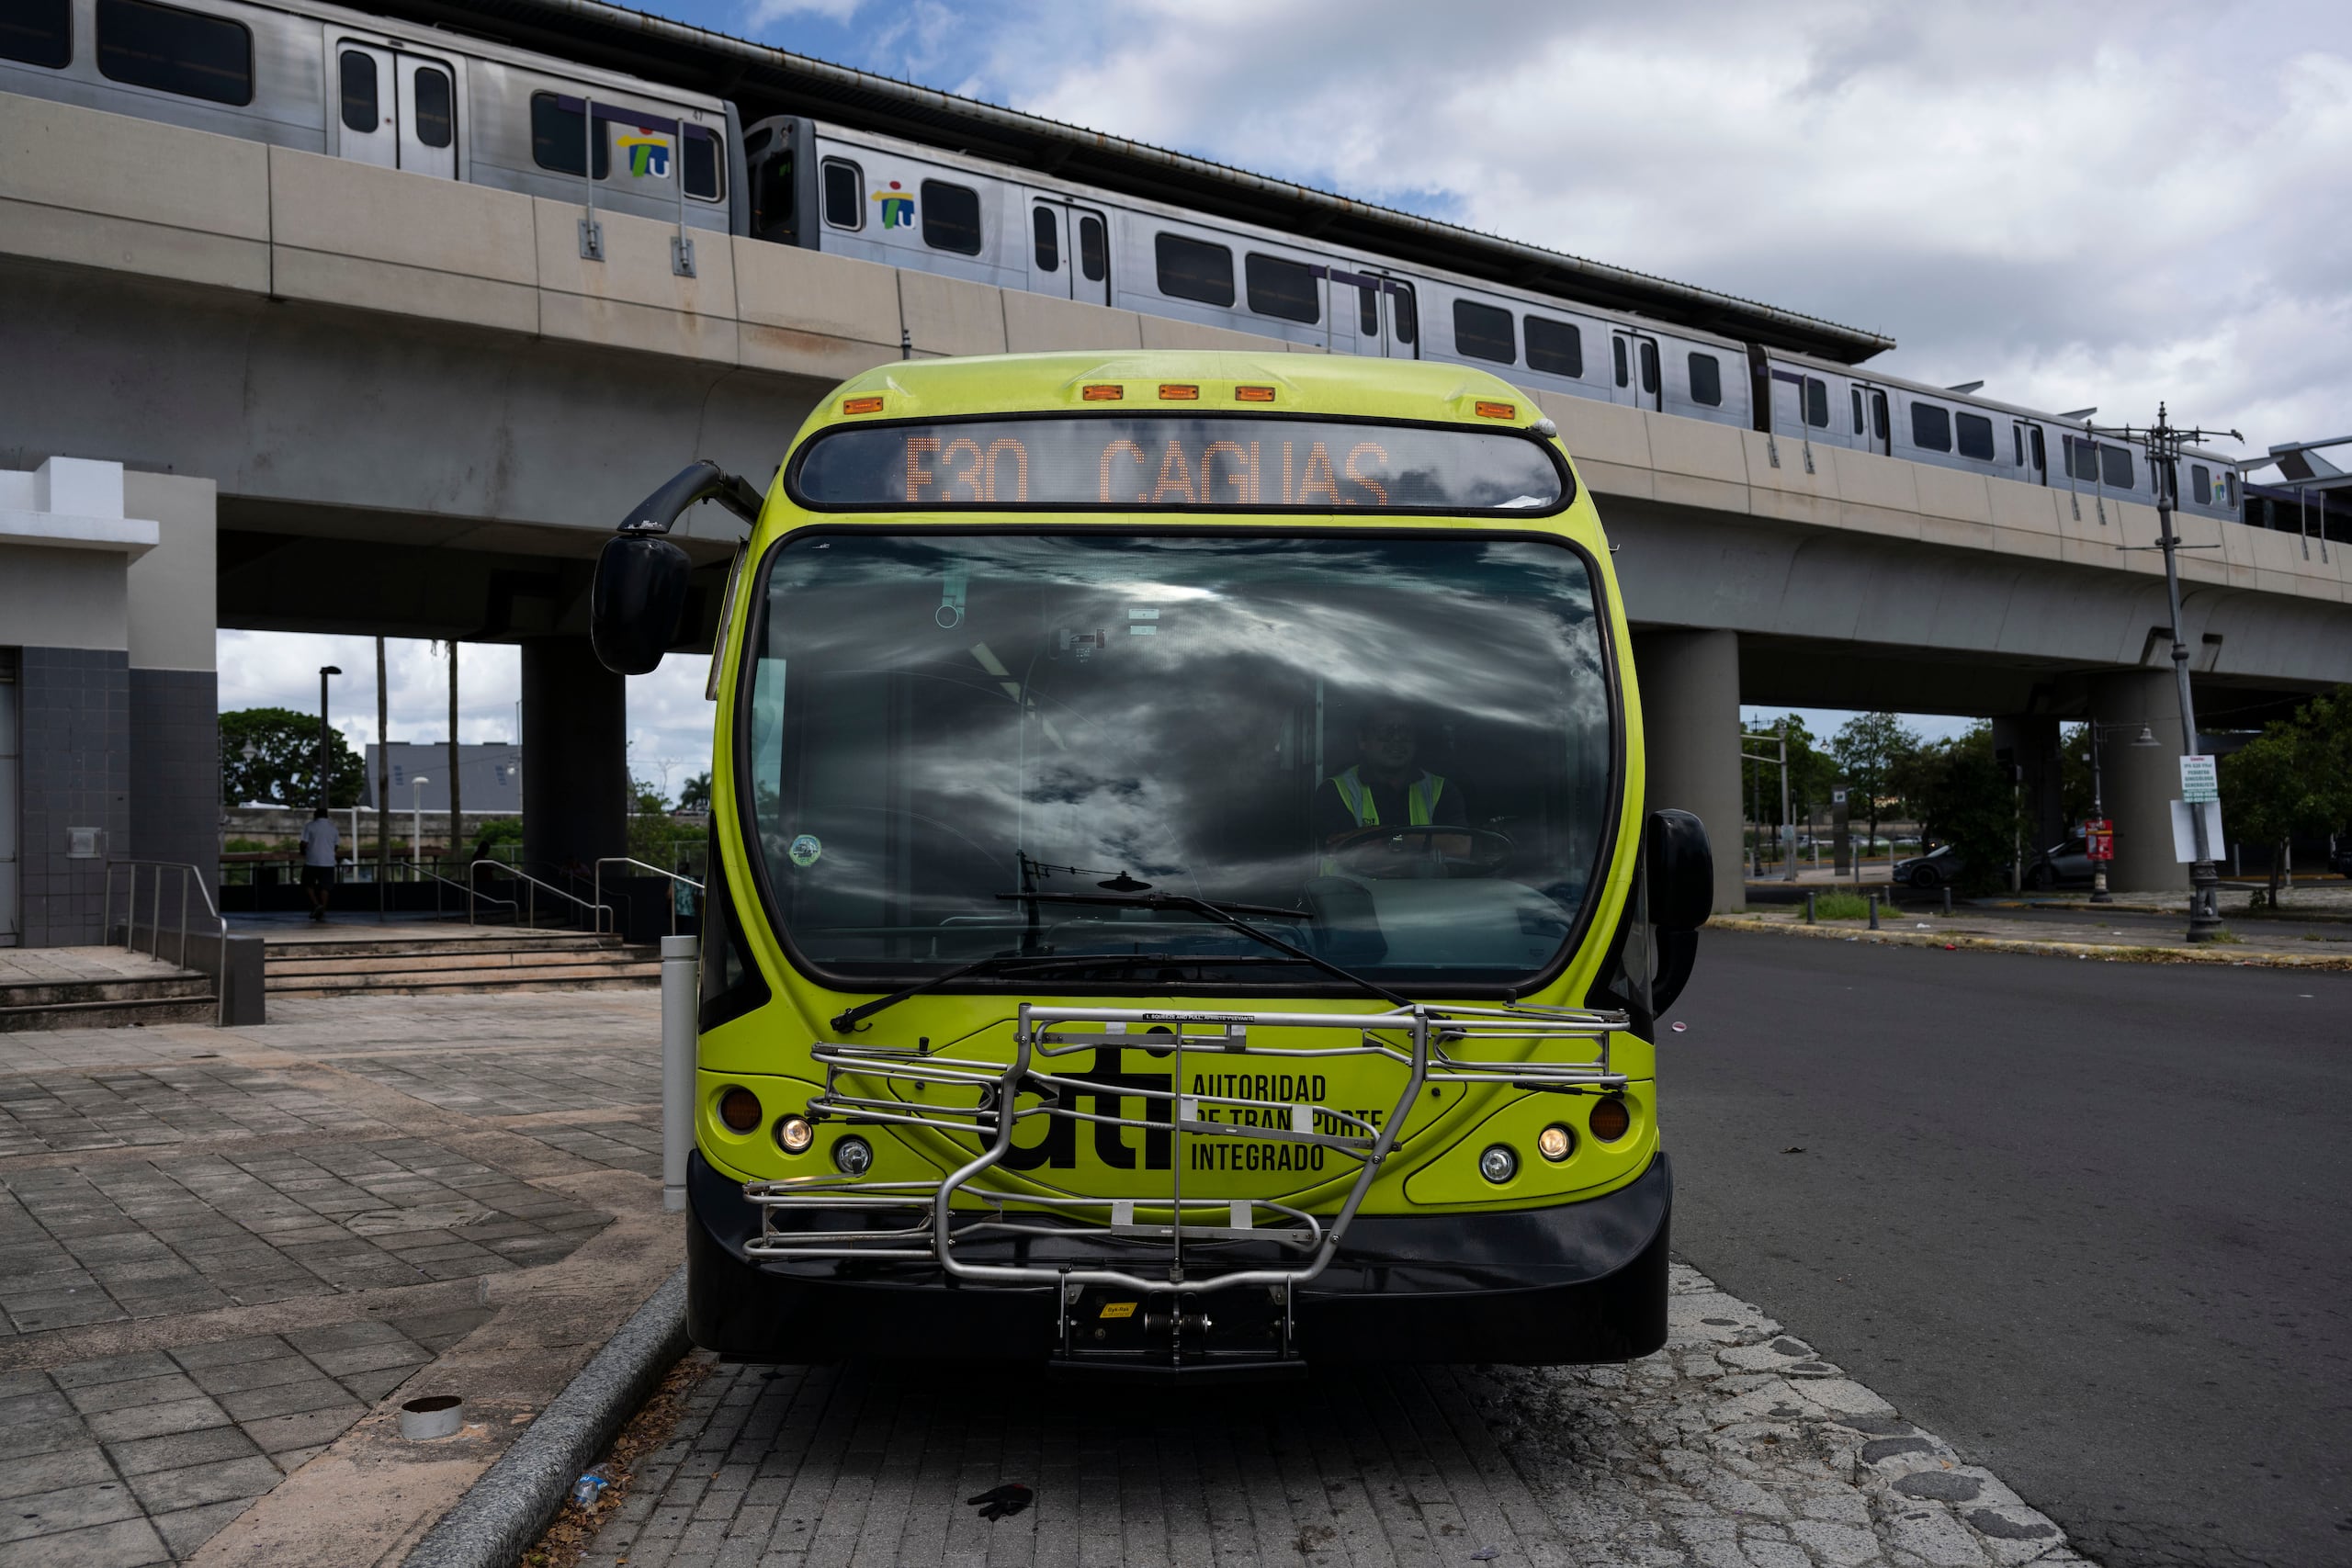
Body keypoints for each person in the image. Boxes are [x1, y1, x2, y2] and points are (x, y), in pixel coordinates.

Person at [1314, 705, 1468, 868]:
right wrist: (1423, 840)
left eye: (1404, 730)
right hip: (1351, 893)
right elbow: (1343, 848)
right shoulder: (1334, 791)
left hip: (1425, 893)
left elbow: (1461, 846)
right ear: (1362, 740)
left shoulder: (1442, 790)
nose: (1396, 739)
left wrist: (1390, 838)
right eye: (1385, 731)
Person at [299, 807, 339, 922]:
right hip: (328, 862)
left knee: (307, 884)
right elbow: (336, 845)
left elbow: (304, 843)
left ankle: (316, 904)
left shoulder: (310, 826)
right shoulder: (333, 828)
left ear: (315, 815)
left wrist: (302, 852)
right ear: (327, 816)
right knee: (325, 887)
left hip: (312, 860)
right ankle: (322, 911)